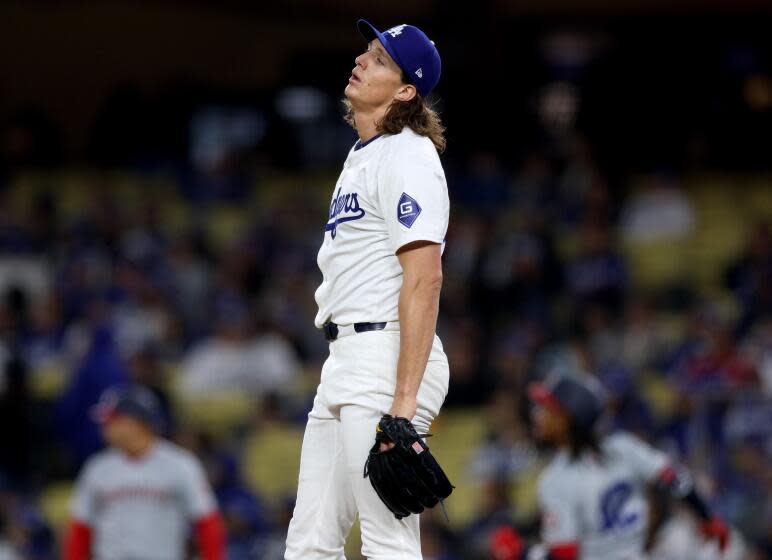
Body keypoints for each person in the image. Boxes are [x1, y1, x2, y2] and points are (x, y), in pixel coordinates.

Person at [284, 18, 450, 560]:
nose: (361, 60)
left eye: (380, 59)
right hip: (349, 358)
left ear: (406, 90)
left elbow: (425, 278)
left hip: (386, 355)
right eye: (367, 50)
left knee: (387, 544)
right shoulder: (367, 152)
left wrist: (402, 408)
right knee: (309, 546)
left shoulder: (408, 152)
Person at [490, 375, 730, 560]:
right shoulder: (623, 447)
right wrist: (707, 517)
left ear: (568, 418)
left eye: (546, 409)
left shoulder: (556, 479)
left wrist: (520, 553)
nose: (536, 415)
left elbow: (565, 555)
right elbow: (675, 478)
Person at [62, 384, 225, 560]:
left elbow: (207, 522)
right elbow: (80, 528)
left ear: (135, 422)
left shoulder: (180, 464)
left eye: (113, 420)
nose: (105, 427)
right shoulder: (97, 467)